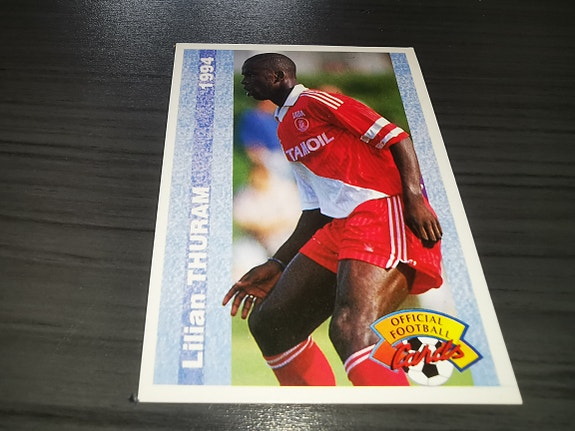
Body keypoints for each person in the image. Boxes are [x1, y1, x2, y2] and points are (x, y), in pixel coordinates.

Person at [223, 53, 443, 386]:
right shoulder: (285, 128)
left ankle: (397, 408)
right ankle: (314, 408)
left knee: (352, 329)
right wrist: (277, 262)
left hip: (382, 211)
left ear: (278, 76)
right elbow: (315, 209)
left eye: (252, 75)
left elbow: (396, 136)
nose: (245, 82)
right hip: (339, 224)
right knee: (271, 324)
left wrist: (413, 199)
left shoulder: (317, 101)